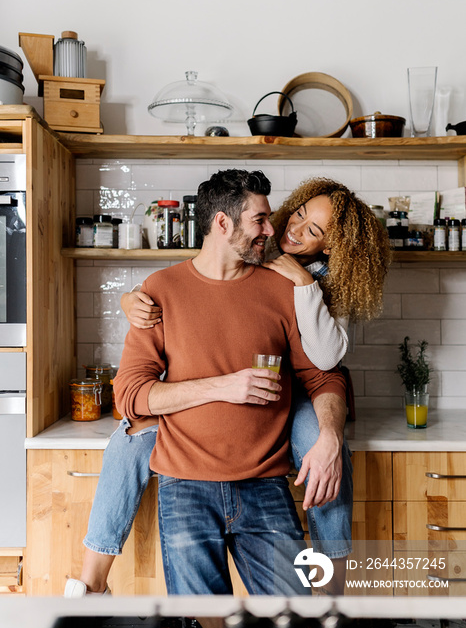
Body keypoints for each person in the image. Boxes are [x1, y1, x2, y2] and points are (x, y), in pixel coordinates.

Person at [64, 175, 390, 596]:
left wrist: (307, 287)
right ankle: (92, 583)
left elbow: (325, 365)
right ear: (223, 223)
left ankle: (331, 590)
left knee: (325, 453)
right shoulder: (248, 255)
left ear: (330, 247)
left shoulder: (311, 283)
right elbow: (193, 290)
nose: (283, 228)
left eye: (312, 231)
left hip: (301, 399)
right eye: (294, 216)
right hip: (216, 439)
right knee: (129, 441)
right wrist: (134, 297)